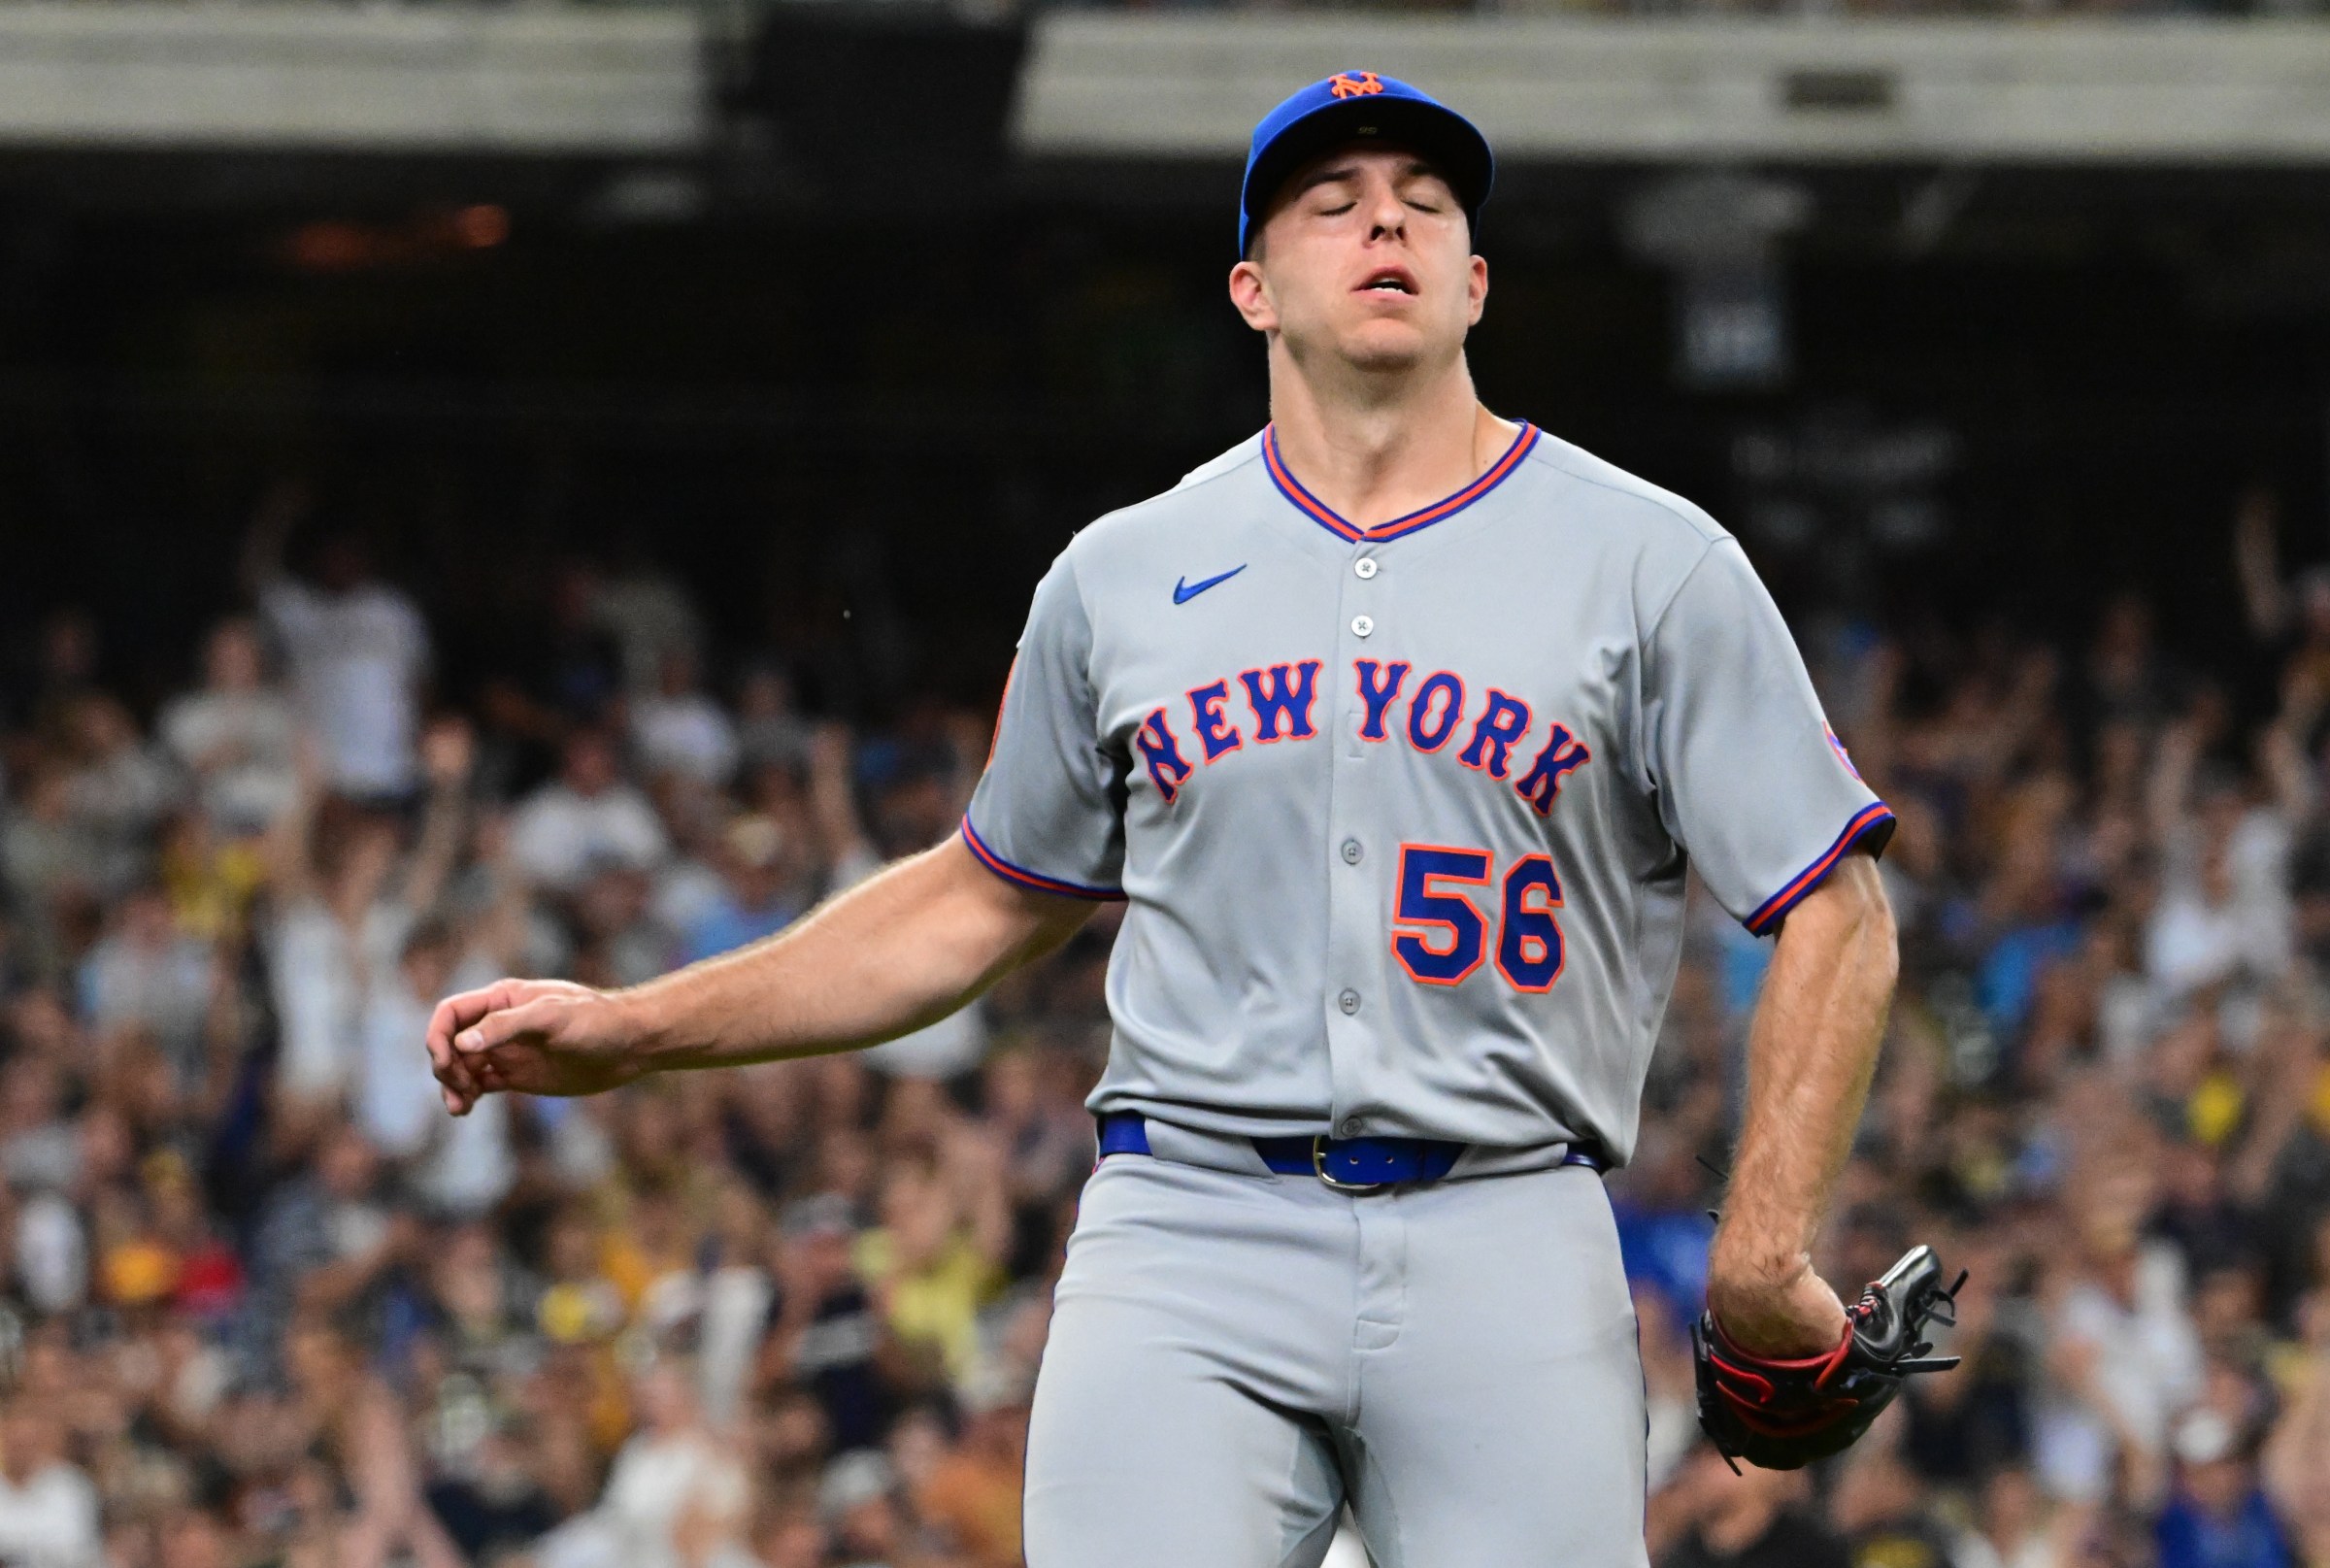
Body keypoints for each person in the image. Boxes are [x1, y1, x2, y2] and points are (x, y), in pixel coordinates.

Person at [428, 71, 1901, 1565]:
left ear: (1474, 281)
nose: (1383, 217)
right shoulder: (1125, 575)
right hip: (1190, 1228)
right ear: (1254, 289)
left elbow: (1836, 906)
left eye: (1426, 203)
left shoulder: (1652, 564)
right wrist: (636, 1028)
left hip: (1509, 1232)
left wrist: (1763, 1250)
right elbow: (982, 896)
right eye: (1333, 203)